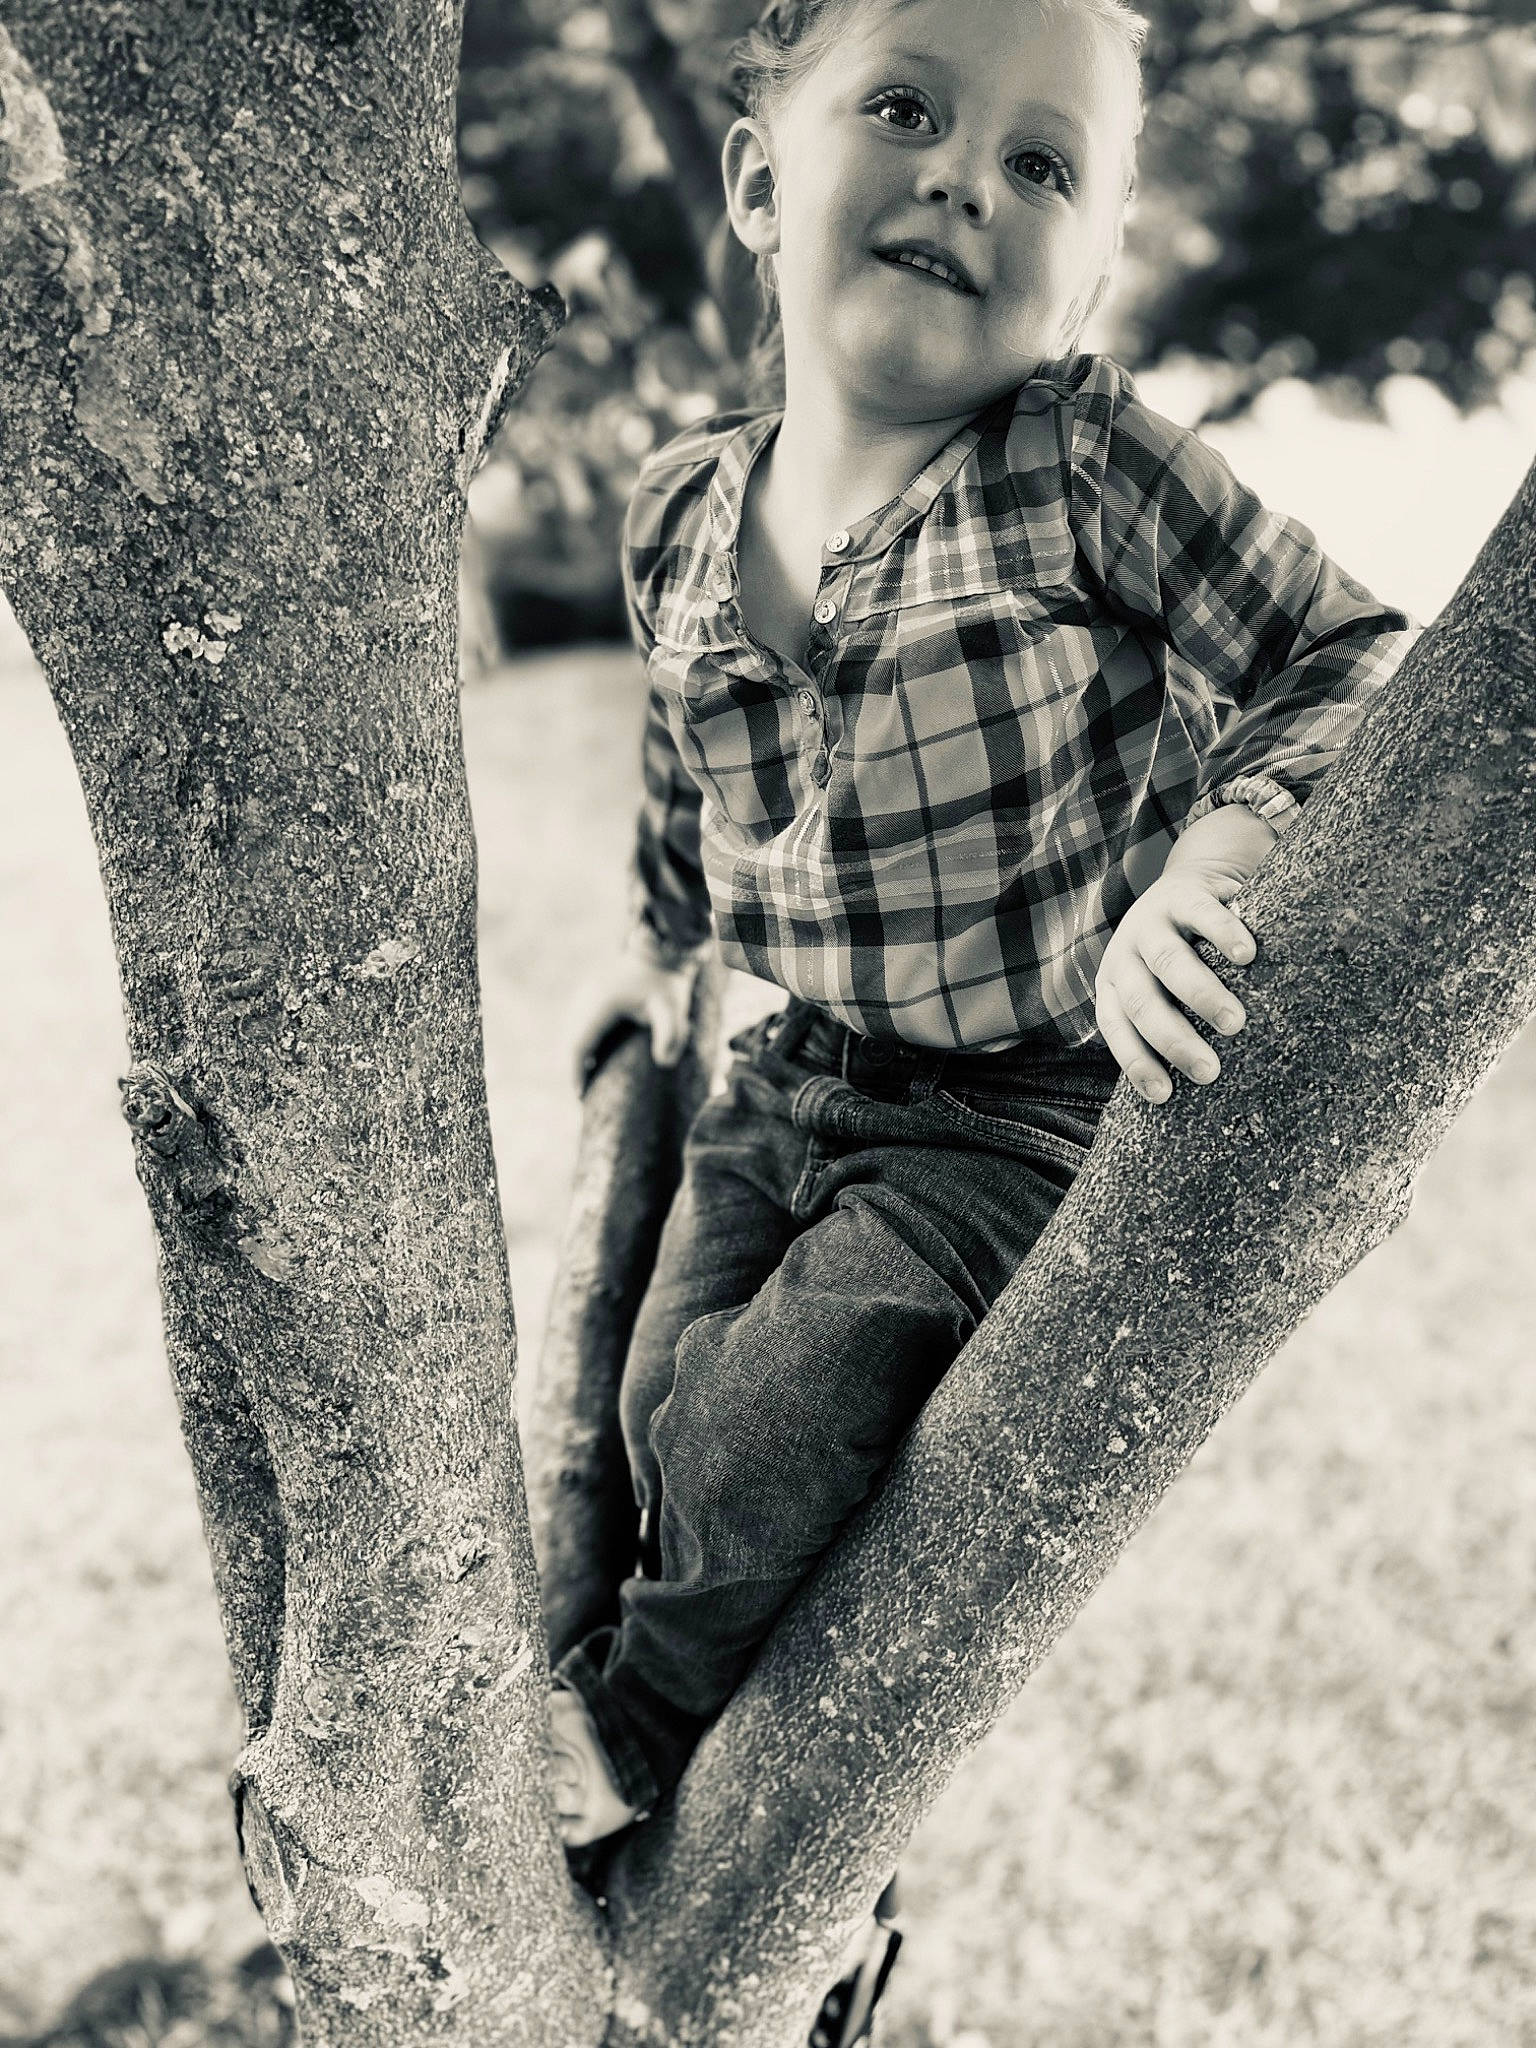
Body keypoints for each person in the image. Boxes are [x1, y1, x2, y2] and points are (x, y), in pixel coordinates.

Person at [546, 0, 1416, 1846]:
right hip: (790, 1073)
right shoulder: (681, 515)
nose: (965, 177)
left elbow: (1344, 652)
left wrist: (1216, 860)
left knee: (761, 1417)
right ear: (761, 178)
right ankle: (690, 1624)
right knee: (655, 1398)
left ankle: (628, 1729)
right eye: (908, 107)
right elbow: (679, 757)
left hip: (1013, 1101)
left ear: (1085, 278)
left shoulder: (1074, 467)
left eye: (1040, 164)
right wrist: (659, 949)